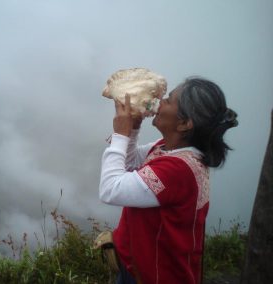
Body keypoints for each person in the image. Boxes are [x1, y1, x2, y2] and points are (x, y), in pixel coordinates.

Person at [99, 77, 238, 284]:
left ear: (184, 124)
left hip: (155, 275)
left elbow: (111, 189)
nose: (160, 101)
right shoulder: (168, 147)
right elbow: (132, 163)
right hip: (136, 266)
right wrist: (134, 129)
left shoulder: (178, 170)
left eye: (169, 100)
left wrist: (121, 134)